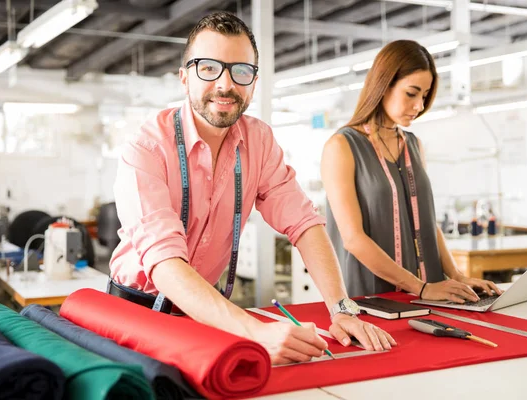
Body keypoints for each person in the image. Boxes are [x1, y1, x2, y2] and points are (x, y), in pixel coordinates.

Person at [109, 11, 395, 365]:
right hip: (133, 313)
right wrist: (253, 331)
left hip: (201, 315)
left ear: (254, 82)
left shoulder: (258, 141)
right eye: (208, 68)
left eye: (240, 70)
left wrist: (341, 308)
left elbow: (304, 223)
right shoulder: (146, 147)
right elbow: (165, 262)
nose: (226, 84)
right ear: (184, 78)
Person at [321, 40, 502, 303]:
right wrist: (421, 287)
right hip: (372, 297)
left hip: (427, 296)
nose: (419, 105)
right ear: (384, 85)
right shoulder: (342, 146)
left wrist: (457, 276)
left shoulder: (414, 145)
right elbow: (353, 239)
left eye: (425, 96)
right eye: (411, 93)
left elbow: (427, 222)